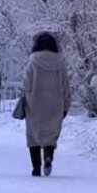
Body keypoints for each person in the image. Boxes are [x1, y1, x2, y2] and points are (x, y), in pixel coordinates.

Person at [22, 32, 71, 176]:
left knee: (34, 135)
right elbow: (65, 86)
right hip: (55, 104)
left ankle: (36, 168)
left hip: (35, 104)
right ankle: (48, 156)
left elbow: (26, 84)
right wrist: (66, 104)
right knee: (50, 134)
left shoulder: (32, 62)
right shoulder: (59, 63)